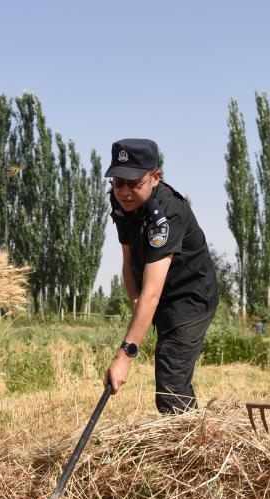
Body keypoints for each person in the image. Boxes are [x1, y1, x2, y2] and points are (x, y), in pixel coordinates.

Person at [102, 139, 219, 413]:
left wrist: (124, 356)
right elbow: (129, 262)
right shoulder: (121, 202)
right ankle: (194, 441)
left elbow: (152, 294)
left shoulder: (168, 213)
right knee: (172, 380)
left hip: (190, 297)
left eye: (134, 183)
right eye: (118, 182)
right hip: (159, 293)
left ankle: (188, 450)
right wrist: (135, 303)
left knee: (170, 384)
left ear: (156, 177)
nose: (125, 192)